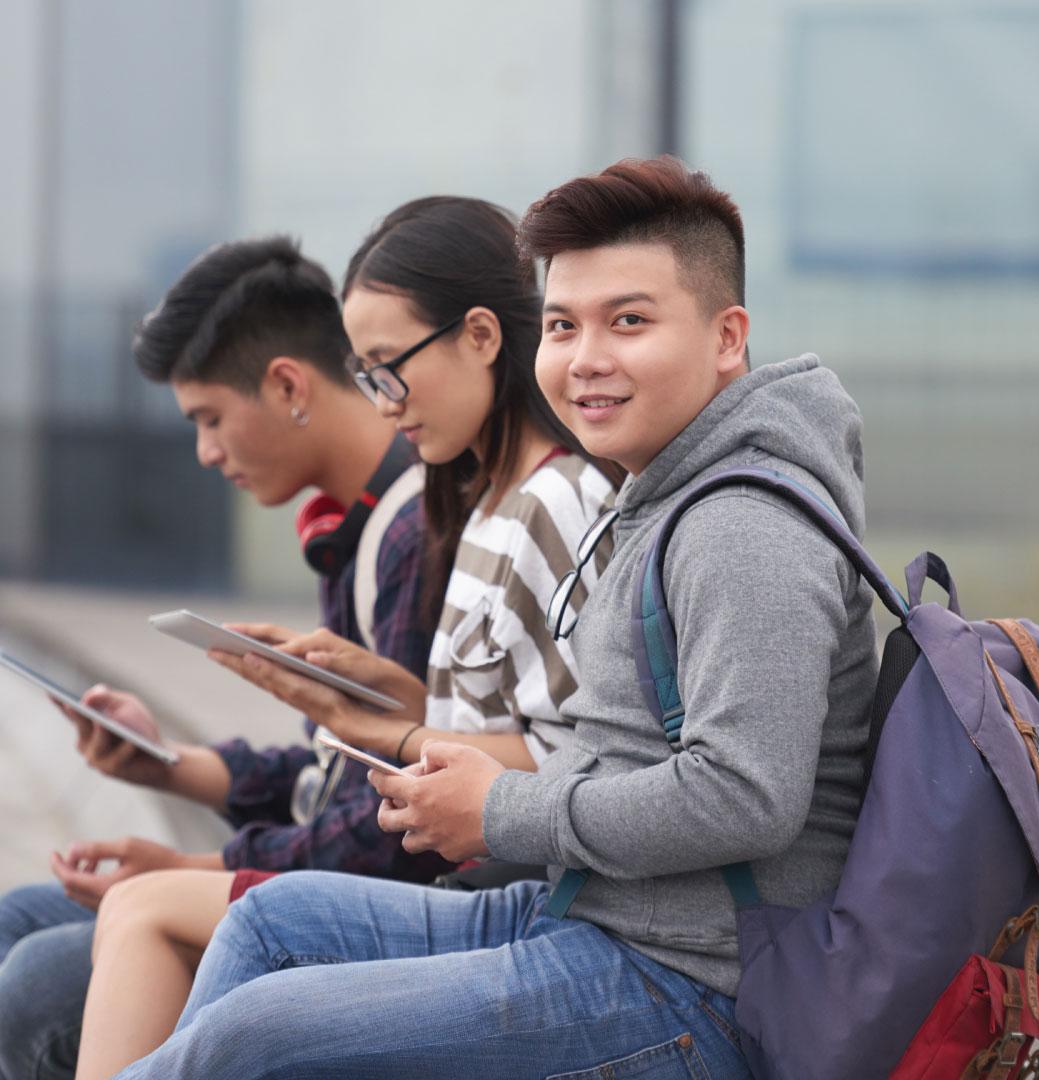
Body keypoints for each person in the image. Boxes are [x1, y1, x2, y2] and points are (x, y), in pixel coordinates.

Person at [111, 156, 879, 1080]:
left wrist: (500, 809)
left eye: (629, 321)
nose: (586, 356)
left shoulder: (742, 523)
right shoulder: (659, 495)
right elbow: (612, 747)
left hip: (693, 988)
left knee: (255, 1037)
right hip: (593, 916)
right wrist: (431, 736)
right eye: (562, 324)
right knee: (271, 924)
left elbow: (743, 797)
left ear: (727, 337)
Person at [77, 195, 620, 1079]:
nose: (382, 403)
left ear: (481, 338)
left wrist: (397, 732)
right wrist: (384, 706)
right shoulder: (482, 504)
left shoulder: (554, 505)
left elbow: (577, 761)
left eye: (385, 369)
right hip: (484, 883)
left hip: (517, 898)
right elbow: (516, 725)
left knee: (143, 931)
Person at [0, 236, 438, 1080]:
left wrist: (190, 866)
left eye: (208, 418)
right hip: (321, 877)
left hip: (364, 907)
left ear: (285, 384)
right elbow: (332, 769)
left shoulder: (412, 533)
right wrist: (168, 764)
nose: (205, 452)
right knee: (22, 918)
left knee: (33, 984)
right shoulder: (355, 530)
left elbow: (391, 829)